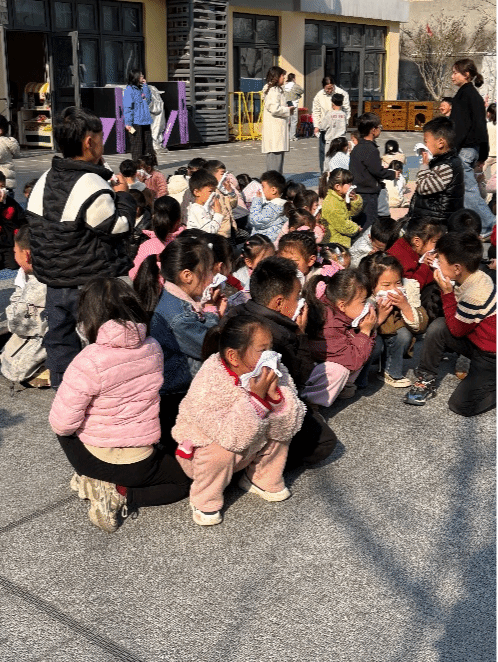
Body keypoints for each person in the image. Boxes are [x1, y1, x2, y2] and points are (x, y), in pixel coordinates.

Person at [49, 277, 191, 533]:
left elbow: (62, 424)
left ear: (88, 319)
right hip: (141, 462)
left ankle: (97, 481)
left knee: (61, 420)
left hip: (92, 458)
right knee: (184, 483)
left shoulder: (88, 359)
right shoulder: (153, 347)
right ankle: (122, 494)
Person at [26, 106, 136, 389]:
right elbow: (118, 227)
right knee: (100, 342)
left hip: (53, 281)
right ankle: (102, 397)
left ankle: (64, 394)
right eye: (100, 138)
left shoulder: (45, 179)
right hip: (88, 283)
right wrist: (124, 196)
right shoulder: (91, 184)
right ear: (89, 142)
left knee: (60, 341)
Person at [172, 314, 306, 526]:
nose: (270, 355)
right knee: (221, 452)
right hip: (203, 455)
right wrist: (257, 399)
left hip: (246, 447)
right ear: (233, 356)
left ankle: (261, 478)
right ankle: (204, 498)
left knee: (282, 427)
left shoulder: (275, 370)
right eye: (262, 350)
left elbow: (290, 424)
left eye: (270, 348)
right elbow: (231, 437)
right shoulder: (210, 381)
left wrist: (275, 398)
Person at [229, 256, 339, 467]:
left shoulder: (236, 312)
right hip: (255, 413)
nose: (300, 302)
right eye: (297, 297)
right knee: (325, 441)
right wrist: (300, 335)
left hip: (230, 406)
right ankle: (260, 464)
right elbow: (298, 380)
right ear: (279, 302)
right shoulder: (277, 335)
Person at [405, 232, 497, 416]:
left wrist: (446, 293)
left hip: (490, 355)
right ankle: (426, 377)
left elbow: (456, 330)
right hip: (477, 341)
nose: (436, 263)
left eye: (440, 261)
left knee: (461, 405)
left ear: (457, 268)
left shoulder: (475, 294)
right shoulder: (476, 275)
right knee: (439, 327)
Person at [150, 236, 226, 449]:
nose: (212, 277)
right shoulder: (179, 316)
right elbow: (209, 347)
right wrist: (212, 312)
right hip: (177, 395)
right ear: (187, 276)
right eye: (208, 271)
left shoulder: (177, 300)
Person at [301, 269, 377, 407]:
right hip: (306, 373)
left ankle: (342, 388)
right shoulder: (329, 324)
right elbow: (354, 361)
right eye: (363, 302)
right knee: (338, 371)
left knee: (362, 344)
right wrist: (365, 331)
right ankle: (310, 404)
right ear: (342, 305)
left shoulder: (339, 313)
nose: (367, 306)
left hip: (328, 360)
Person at [359, 253, 428, 388]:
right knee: (376, 343)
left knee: (403, 334)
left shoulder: (407, 293)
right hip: (369, 339)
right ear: (371, 285)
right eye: (386, 285)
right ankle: (359, 377)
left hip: (392, 339)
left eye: (397, 283)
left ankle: (390, 371)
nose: (393, 289)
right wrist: (380, 316)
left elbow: (421, 326)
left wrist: (405, 307)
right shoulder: (363, 299)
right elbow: (358, 330)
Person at [450, 58, 496, 239]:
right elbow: (480, 126)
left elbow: (461, 127)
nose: (452, 76)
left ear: (466, 74)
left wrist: (452, 148)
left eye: (455, 72)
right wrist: (482, 153)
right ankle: (467, 225)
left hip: (464, 149)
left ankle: (490, 225)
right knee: (463, 191)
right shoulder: (471, 95)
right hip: (472, 148)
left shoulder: (465, 96)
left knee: (469, 191)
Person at [0, 225, 49, 389]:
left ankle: (49, 370)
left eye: (16, 252)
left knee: (12, 367)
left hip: (51, 341)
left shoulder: (38, 283)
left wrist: (19, 292)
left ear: (27, 255)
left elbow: (17, 325)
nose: (15, 256)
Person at [409, 117, 465, 225]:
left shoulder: (446, 167)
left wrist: (424, 165)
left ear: (440, 143)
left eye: (426, 142)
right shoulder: (443, 161)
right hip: (433, 219)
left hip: (436, 223)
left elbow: (423, 187)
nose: (425, 146)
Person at [349, 113, 398, 231]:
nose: (380, 129)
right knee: (368, 225)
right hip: (368, 193)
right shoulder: (371, 149)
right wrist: (392, 174)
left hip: (357, 190)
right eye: (379, 127)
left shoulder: (357, 147)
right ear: (373, 130)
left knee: (358, 223)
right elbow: (377, 171)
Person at [130, 195, 183, 281]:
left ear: (154, 217)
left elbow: (134, 275)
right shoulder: (187, 241)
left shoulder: (148, 246)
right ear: (179, 219)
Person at [388, 217, 446, 290]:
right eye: (435, 242)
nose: (437, 247)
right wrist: (425, 266)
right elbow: (412, 288)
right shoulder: (401, 258)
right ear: (417, 242)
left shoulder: (412, 249)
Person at [313, 76, 352, 172]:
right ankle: (325, 174)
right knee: (325, 153)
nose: (330, 90)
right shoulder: (319, 95)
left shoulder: (342, 93)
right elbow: (316, 111)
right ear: (323, 87)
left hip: (339, 131)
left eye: (331, 88)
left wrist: (344, 123)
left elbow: (347, 110)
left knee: (340, 154)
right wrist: (317, 126)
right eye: (327, 89)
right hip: (326, 129)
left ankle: (339, 173)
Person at [261, 66, 293, 174]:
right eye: (282, 75)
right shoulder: (273, 90)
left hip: (278, 132)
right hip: (275, 133)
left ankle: (276, 181)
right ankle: (273, 182)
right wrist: (288, 110)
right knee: (274, 164)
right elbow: (274, 108)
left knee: (277, 163)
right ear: (277, 76)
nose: (284, 78)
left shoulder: (277, 89)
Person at [321, 169, 362, 246]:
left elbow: (352, 213)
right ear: (338, 186)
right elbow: (342, 225)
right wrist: (356, 228)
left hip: (342, 240)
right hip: (335, 243)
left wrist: (354, 199)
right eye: (349, 184)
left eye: (351, 183)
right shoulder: (332, 203)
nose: (352, 186)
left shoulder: (341, 197)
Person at [123, 69, 154, 162]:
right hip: (135, 122)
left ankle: (148, 165)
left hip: (146, 120)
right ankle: (137, 165)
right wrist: (128, 123)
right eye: (140, 75)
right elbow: (127, 107)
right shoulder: (129, 90)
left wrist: (145, 86)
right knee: (137, 145)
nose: (142, 77)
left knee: (148, 144)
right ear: (135, 77)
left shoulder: (142, 88)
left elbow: (148, 100)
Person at [249, 170, 287, 242]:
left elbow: (255, 220)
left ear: (273, 190)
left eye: (263, 187)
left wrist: (257, 201)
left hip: (264, 243)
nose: (262, 190)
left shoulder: (272, 208)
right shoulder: (282, 205)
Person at [0, 171, 27, 270]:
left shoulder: (11, 202)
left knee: (14, 265)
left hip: (9, 243)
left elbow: (22, 220)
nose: (1, 190)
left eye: (2, 187)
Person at [186, 169, 225, 235]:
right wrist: (218, 213)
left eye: (214, 191)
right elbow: (210, 231)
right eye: (210, 191)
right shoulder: (197, 209)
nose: (213, 194)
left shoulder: (204, 207)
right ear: (197, 192)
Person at [320, 94, 348, 163]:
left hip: (331, 140)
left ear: (332, 103)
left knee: (328, 160)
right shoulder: (344, 114)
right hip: (341, 140)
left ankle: (328, 170)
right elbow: (346, 125)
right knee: (340, 160)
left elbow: (322, 127)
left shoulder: (329, 114)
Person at [0, 114, 20, 193]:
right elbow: (17, 155)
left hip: (2, 182)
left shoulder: (1, 142)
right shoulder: (9, 141)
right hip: (7, 182)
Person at [284, 73, 304, 141]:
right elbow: (302, 91)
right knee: (294, 121)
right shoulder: (296, 86)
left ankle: (286, 136)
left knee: (286, 121)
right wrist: (298, 95)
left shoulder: (284, 86)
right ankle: (292, 136)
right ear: (293, 78)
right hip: (294, 104)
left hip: (286, 105)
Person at [485, 103, 497, 179]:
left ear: (489, 113)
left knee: (477, 177)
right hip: (496, 155)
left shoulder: (486, 126)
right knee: (494, 179)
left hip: (487, 155)